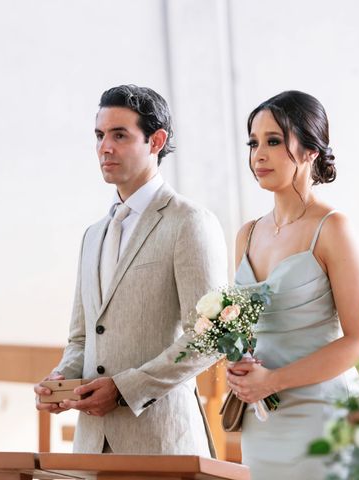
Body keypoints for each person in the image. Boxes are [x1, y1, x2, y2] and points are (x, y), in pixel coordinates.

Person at [33, 85, 228, 455]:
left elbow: (209, 338)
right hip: (91, 446)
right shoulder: (93, 235)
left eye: (120, 135)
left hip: (163, 443)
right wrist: (62, 379)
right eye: (100, 135)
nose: (105, 147)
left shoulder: (190, 223)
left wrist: (126, 389)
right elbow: (82, 338)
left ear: (156, 141)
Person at [225, 90, 359, 479]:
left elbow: (358, 340)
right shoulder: (247, 234)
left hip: (322, 417)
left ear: (310, 151)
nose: (258, 155)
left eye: (273, 141)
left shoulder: (332, 228)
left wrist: (274, 380)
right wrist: (239, 366)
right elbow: (240, 331)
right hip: (262, 421)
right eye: (253, 143)